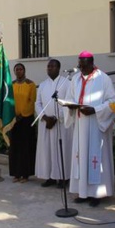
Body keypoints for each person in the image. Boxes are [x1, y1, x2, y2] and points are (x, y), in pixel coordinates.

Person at [63, 51, 115, 207]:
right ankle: (82, 191)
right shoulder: (75, 79)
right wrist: (71, 107)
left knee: (95, 158)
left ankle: (96, 194)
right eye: (80, 64)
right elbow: (70, 98)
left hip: (96, 125)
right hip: (80, 126)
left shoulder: (104, 79)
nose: (81, 68)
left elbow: (112, 101)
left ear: (91, 62)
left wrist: (95, 110)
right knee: (80, 158)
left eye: (84, 65)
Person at [35, 59, 73, 188]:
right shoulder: (42, 84)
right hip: (46, 124)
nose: (49, 68)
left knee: (61, 150)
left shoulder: (66, 83)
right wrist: (45, 118)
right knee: (47, 151)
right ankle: (49, 176)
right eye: (48, 66)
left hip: (61, 123)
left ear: (58, 68)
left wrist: (56, 117)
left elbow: (69, 102)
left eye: (52, 66)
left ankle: (63, 177)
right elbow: (37, 103)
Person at [9, 63, 37, 183]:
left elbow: (32, 101)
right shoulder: (12, 85)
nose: (19, 71)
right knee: (15, 147)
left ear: (24, 70)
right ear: (14, 72)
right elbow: (9, 101)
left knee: (26, 147)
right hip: (14, 120)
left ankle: (26, 174)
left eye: (21, 69)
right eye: (17, 70)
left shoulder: (31, 84)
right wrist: (14, 115)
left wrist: (22, 114)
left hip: (26, 120)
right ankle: (16, 174)